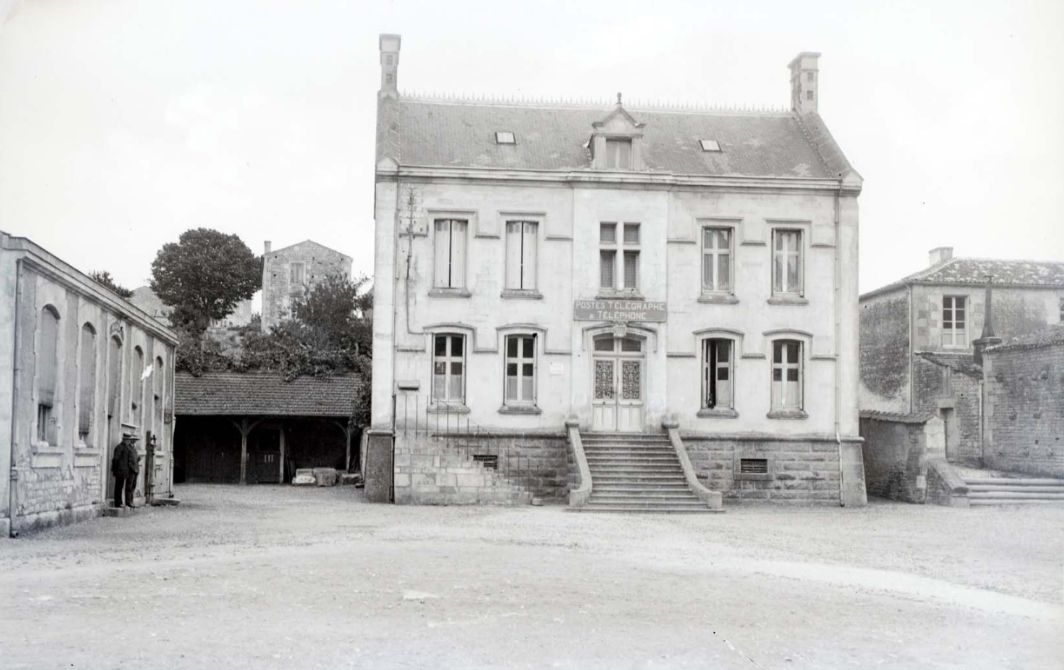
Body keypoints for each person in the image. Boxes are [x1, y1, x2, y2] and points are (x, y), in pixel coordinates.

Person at [111, 433, 140, 508]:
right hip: (120, 471)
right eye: (128, 440)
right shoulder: (119, 447)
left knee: (120, 486)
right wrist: (116, 470)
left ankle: (120, 502)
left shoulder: (126, 448)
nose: (128, 442)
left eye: (129, 440)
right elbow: (116, 460)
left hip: (124, 471)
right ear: (124, 440)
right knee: (118, 487)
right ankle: (117, 503)